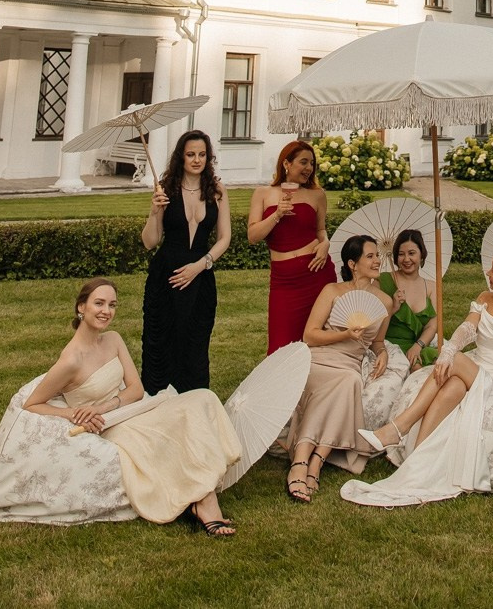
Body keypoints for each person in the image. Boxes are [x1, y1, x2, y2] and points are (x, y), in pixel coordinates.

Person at [0, 279, 241, 533]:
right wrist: (73, 414)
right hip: (112, 427)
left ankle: (200, 496)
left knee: (202, 398)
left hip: (132, 408)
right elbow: (32, 404)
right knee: (176, 425)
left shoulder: (113, 339)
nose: (106, 311)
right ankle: (206, 505)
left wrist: (105, 406)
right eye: (99, 304)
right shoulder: (71, 360)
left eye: (112, 305)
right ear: (82, 307)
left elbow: (136, 390)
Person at [342, 248, 493, 507]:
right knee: (454, 385)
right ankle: (417, 460)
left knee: (456, 362)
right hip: (474, 367)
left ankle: (398, 428)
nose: (487, 273)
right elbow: (468, 328)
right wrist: (449, 351)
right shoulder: (485, 298)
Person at [284, 235, 391, 502]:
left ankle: (315, 460)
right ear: (352, 264)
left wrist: (383, 352)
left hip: (350, 364)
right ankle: (302, 459)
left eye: (377, 255)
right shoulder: (332, 291)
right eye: (370, 256)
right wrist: (344, 335)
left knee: (350, 380)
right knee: (344, 382)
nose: (378, 260)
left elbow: (377, 341)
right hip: (319, 357)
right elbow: (309, 335)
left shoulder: (385, 302)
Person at [140, 129, 230, 393]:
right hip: (166, 277)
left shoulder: (217, 191)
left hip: (201, 278)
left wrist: (200, 265)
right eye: (190, 154)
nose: (196, 160)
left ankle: (193, 407)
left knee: (195, 345)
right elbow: (150, 241)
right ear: (181, 157)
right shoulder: (165, 189)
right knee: (161, 344)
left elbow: (224, 238)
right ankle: (157, 405)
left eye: (202, 154)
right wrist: (154, 210)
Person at [248, 140, 335, 354]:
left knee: (316, 343)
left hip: (316, 274)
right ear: (286, 163)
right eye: (303, 162)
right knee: (281, 346)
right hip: (284, 281)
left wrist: (325, 244)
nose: (308, 168)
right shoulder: (263, 193)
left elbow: (321, 231)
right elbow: (253, 236)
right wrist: (277, 214)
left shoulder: (317, 194)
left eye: (311, 163)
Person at [378, 228, 439, 369]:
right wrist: (393, 308)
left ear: (421, 255)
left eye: (411, 253)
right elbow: (371, 324)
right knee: (416, 368)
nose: (406, 259)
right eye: (401, 254)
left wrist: (418, 346)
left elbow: (432, 325)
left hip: (419, 345)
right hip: (389, 346)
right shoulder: (383, 281)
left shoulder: (431, 286)